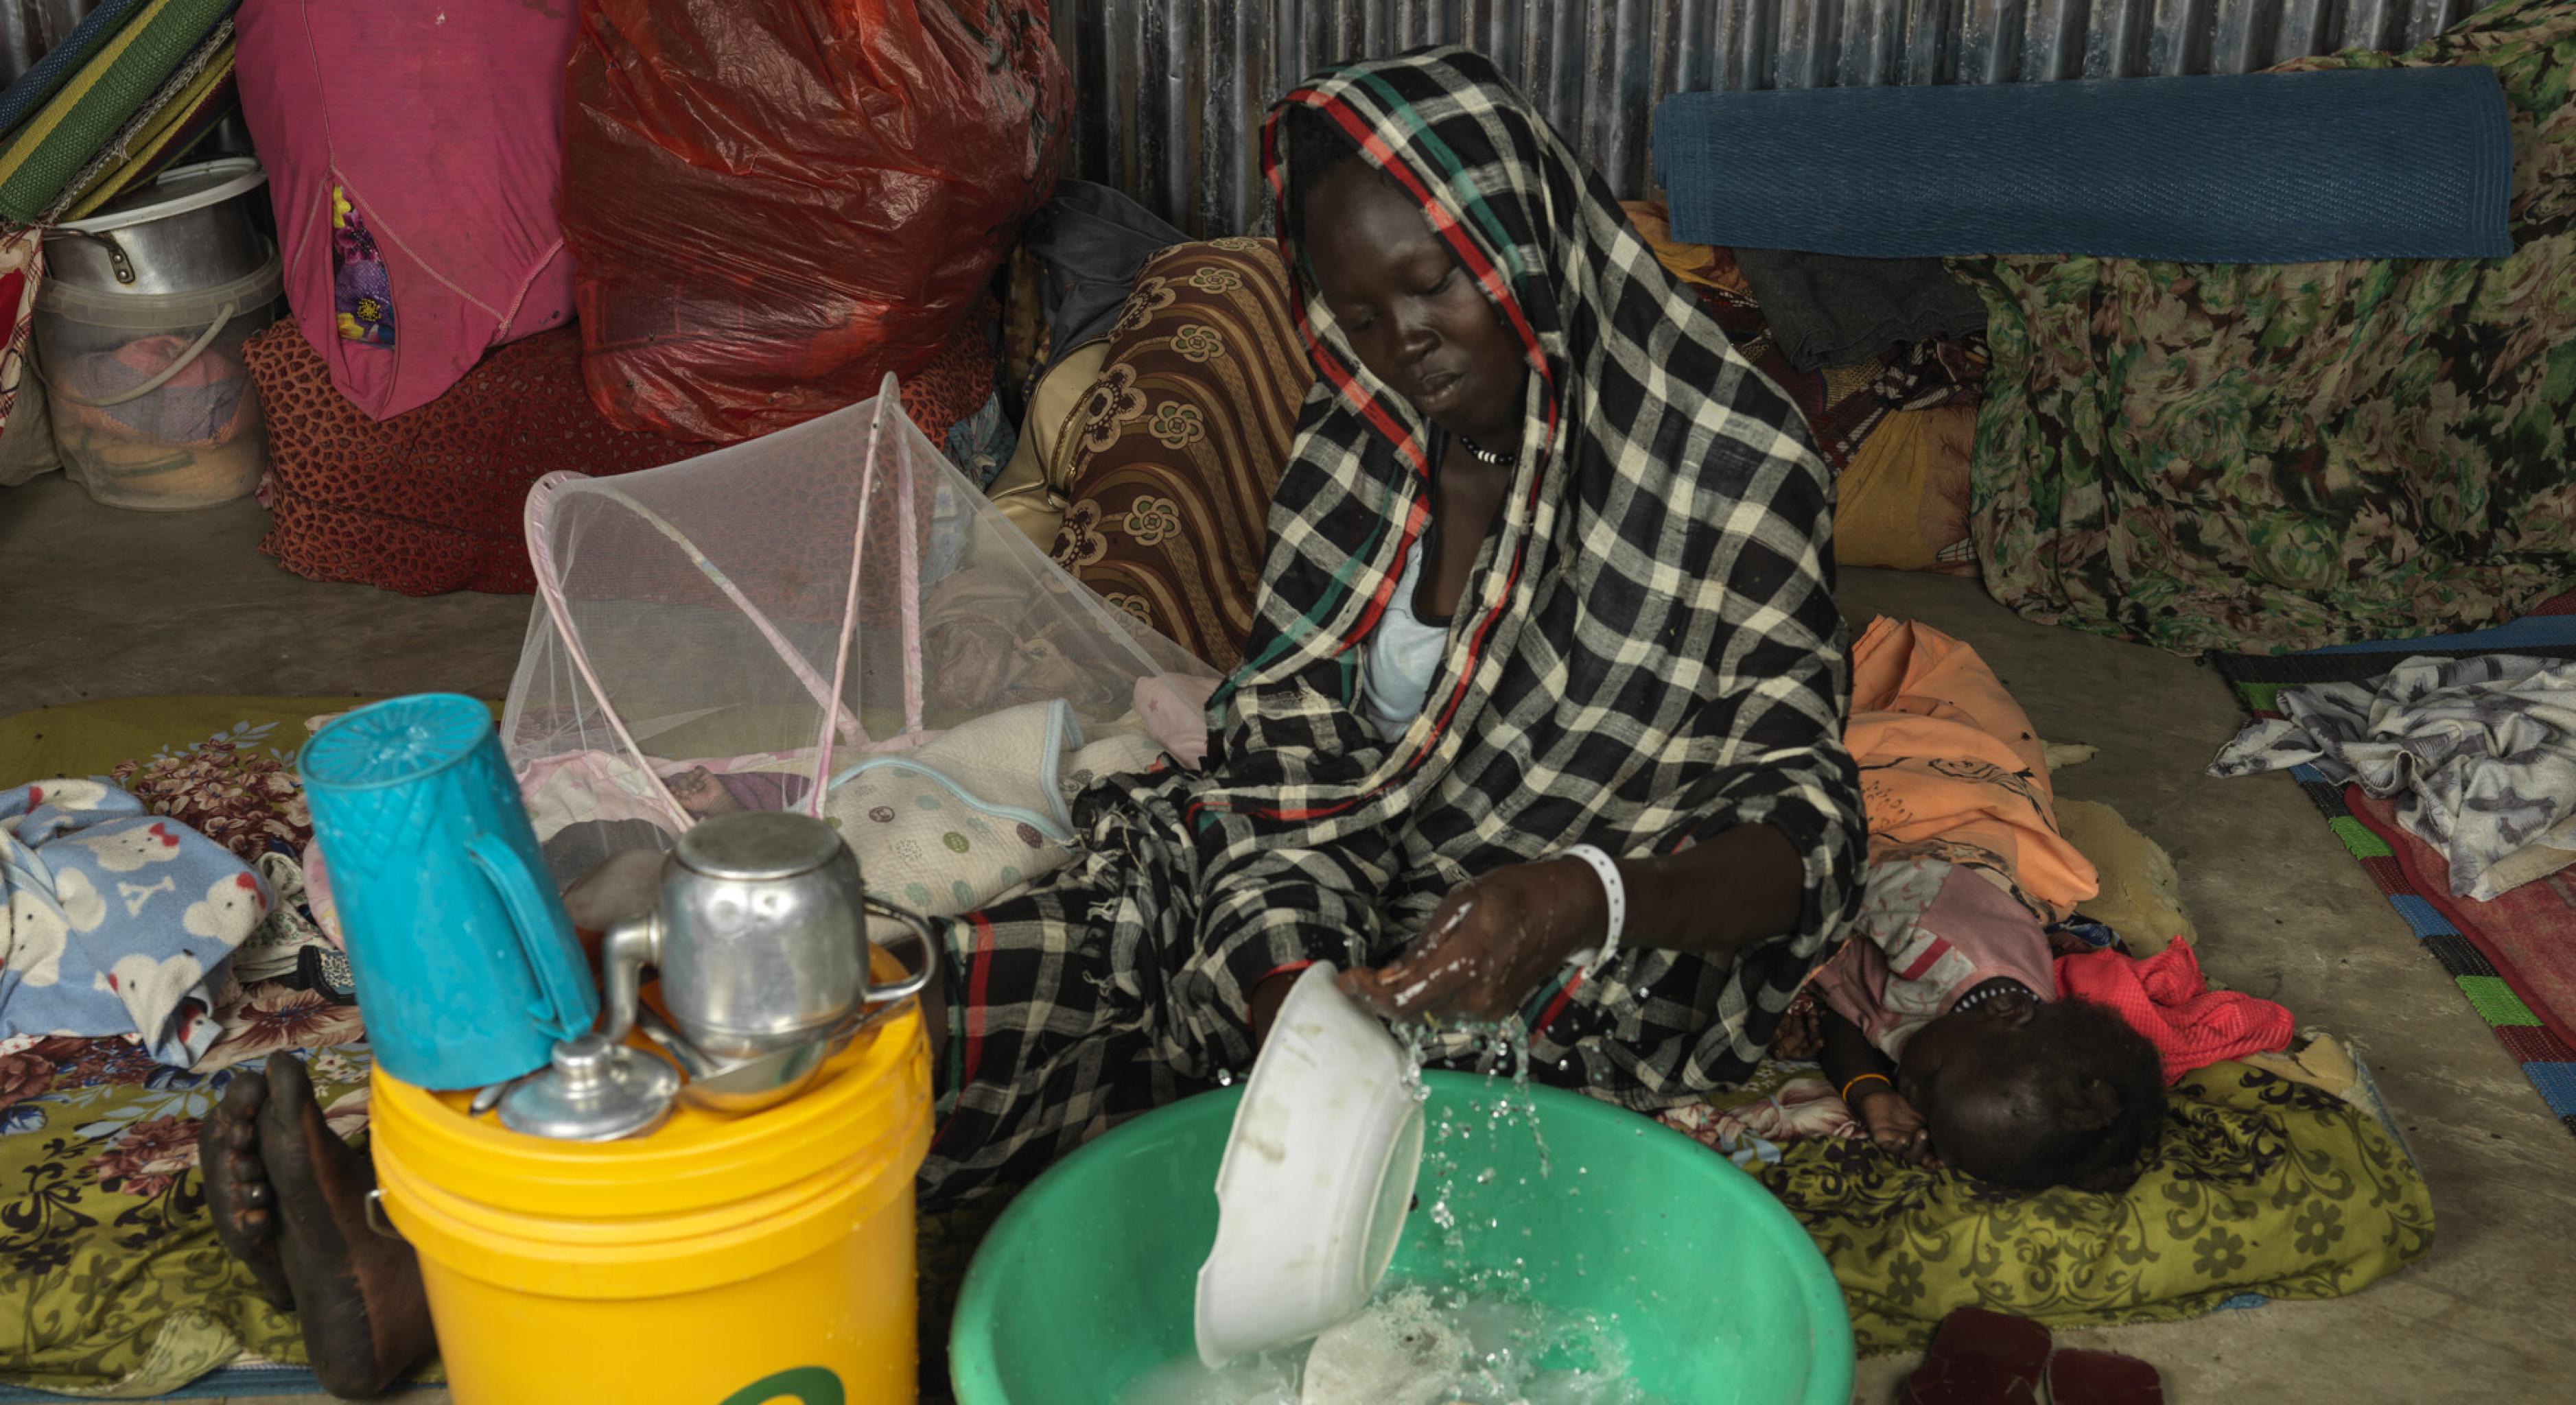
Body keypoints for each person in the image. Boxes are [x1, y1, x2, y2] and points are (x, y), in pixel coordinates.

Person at [198, 47, 1862, 1395]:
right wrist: (1283, 956)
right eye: (1351, 311)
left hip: (1561, 975)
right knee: (920, 1014)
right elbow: (1284, 729)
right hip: (1299, 889)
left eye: (1431, 287)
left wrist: (1577, 898)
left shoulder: (1723, 475)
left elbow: (1804, 836)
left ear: (1523, 248)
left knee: (1330, 1165)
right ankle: (455, 1269)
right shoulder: (1374, 446)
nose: (1396, 342)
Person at [1796, 860, 2166, 1192]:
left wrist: (1871, 1094)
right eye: (1931, 1082)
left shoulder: (1972, 1048)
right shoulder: (1931, 937)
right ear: (2006, 1009)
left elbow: (1852, 1020)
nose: (1907, 1089)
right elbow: (1816, 888)